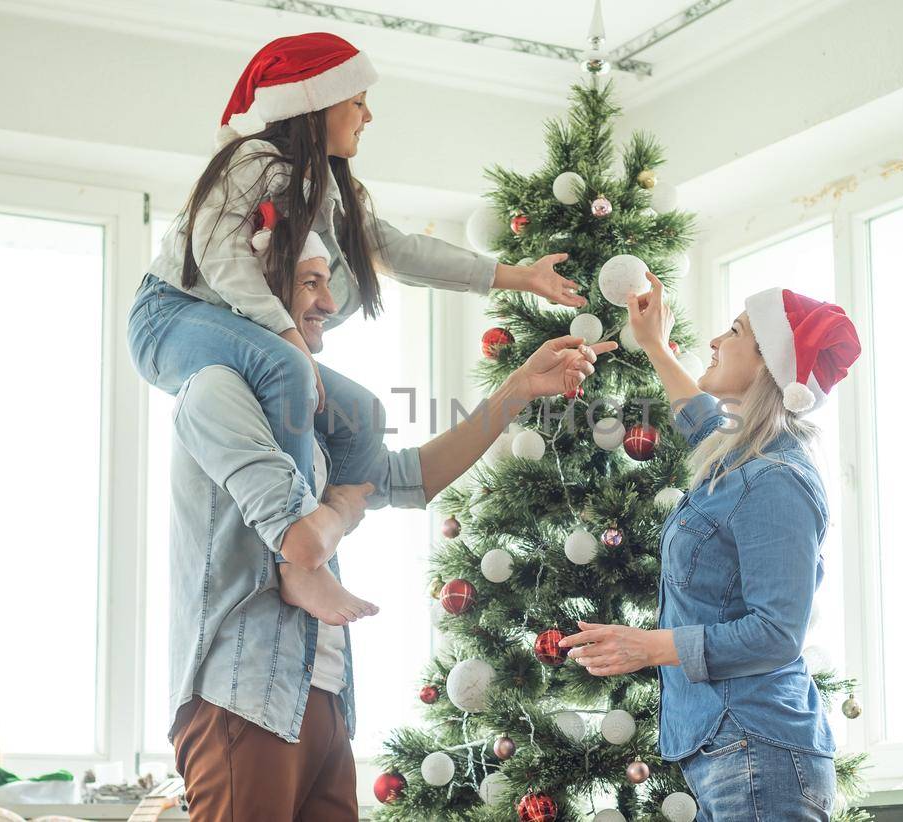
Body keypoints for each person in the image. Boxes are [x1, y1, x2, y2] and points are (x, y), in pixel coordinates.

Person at [127, 31, 584, 625]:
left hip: (240, 332)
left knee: (361, 412)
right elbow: (220, 255)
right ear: (316, 105)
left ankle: (312, 544)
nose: (369, 116)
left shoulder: (335, 192)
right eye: (357, 101)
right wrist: (286, 334)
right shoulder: (254, 162)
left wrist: (517, 277)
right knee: (290, 365)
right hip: (173, 315)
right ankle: (300, 566)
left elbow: (398, 250)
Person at [165, 238, 616, 821]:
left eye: (328, 282)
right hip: (243, 698)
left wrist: (518, 391)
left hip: (324, 695)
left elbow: (407, 478)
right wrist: (343, 511)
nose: (329, 302)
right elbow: (304, 541)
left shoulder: (305, 408)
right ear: (258, 293)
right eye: (309, 283)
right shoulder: (215, 390)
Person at [560, 273, 862, 822]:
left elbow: (777, 633)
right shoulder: (740, 460)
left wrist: (649, 647)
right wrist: (653, 341)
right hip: (731, 750)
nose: (716, 341)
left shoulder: (775, 480)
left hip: (759, 751)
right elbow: (699, 418)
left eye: (735, 330)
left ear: (771, 363)